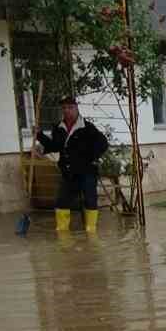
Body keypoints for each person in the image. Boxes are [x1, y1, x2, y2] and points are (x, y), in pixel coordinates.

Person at [34, 97, 110, 233]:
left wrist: (90, 158)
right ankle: (62, 234)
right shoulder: (59, 128)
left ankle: (91, 232)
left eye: (70, 108)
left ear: (76, 108)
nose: (67, 111)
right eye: (64, 108)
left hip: (87, 171)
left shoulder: (87, 127)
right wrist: (39, 135)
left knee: (90, 201)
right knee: (61, 203)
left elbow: (103, 144)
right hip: (68, 172)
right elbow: (55, 145)